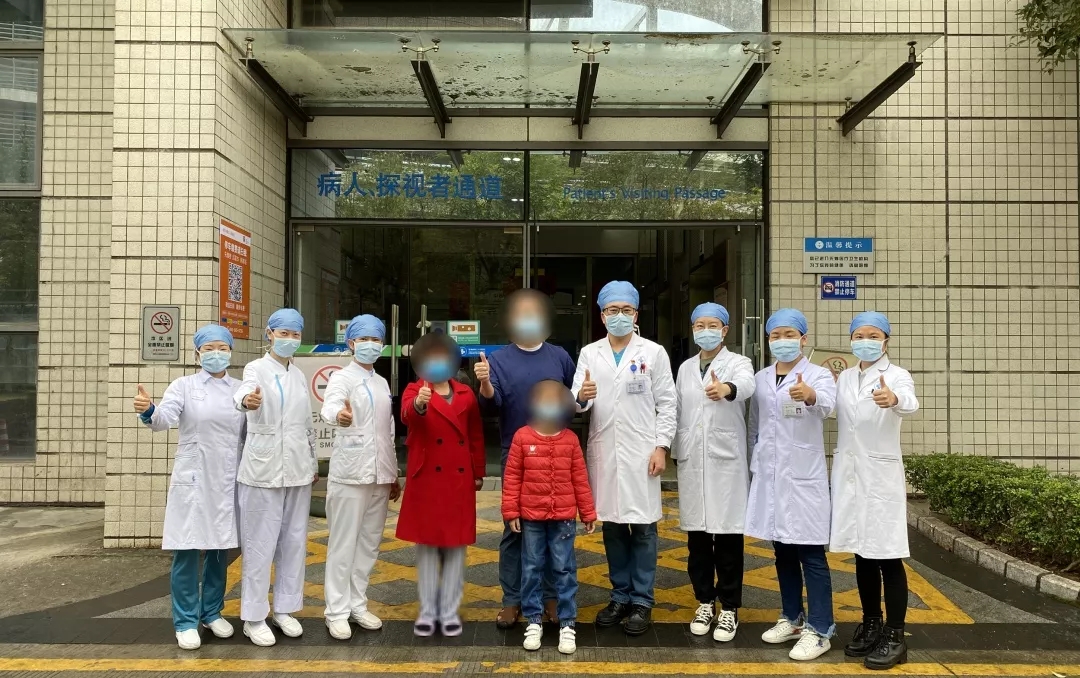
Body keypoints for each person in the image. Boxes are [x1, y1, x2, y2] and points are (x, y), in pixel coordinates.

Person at [571, 280, 677, 636]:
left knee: (644, 529)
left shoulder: (654, 352)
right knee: (614, 527)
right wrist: (582, 396)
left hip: (643, 452)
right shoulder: (590, 353)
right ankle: (619, 595)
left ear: (636, 314)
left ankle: (642, 600)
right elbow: (576, 401)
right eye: (612, 310)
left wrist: (662, 446)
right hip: (605, 450)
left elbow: (668, 403)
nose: (619, 315)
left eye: (626, 310)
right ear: (602, 316)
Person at [132, 324, 245, 650]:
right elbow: (164, 418)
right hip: (194, 480)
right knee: (188, 549)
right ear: (197, 353)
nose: (216, 354)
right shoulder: (183, 386)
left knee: (220, 549)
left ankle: (211, 612)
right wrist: (149, 410)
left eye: (222, 348)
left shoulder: (240, 390)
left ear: (230, 352)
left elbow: (249, 432)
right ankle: (184, 620)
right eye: (208, 349)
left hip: (227, 479)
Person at [475, 289, 576, 628]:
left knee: (553, 527)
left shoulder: (560, 357)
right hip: (516, 453)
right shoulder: (498, 359)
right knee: (515, 528)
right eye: (521, 313)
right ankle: (512, 599)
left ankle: (550, 598)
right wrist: (485, 384)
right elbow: (491, 406)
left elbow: (572, 400)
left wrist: (584, 397)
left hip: (556, 452)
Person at [745, 308, 838, 661]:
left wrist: (810, 395)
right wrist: (755, 464)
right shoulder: (761, 377)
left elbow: (827, 406)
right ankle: (792, 617)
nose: (782, 340)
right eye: (775, 335)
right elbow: (755, 425)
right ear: (768, 340)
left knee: (810, 552)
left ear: (803, 338)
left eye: (789, 334)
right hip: (771, 475)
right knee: (781, 549)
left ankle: (821, 628)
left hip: (803, 476)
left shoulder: (819, 375)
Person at [830, 312, 919, 670]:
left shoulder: (897, 375)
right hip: (850, 474)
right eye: (859, 335)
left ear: (886, 340)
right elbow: (830, 409)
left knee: (888, 555)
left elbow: (910, 402)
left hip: (880, 478)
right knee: (862, 554)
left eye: (873, 335)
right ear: (851, 339)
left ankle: (896, 636)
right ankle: (871, 624)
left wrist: (893, 399)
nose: (865, 340)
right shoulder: (845, 377)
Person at [233, 308, 319, 647]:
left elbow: (306, 425)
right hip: (262, 470)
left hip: (297, 470)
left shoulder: (297, 375)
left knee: (294, 542)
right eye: (283, 333)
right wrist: (247, 401)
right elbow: (243, 393)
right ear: (269, 334)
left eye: (295, 334)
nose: (289, 339)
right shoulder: (256, 368)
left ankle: (285, 609)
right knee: (259, 544)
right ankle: (254, 617)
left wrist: (311, 463)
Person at [672, 303, 756, 642]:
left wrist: (727, 389)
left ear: (724, 330)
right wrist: (671, 449)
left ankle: (730, 607)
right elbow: (678, 410)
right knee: (698, 540)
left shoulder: (739, 363)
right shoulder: (685, 368)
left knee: (728, 538)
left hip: (725, 462)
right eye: (699, 325)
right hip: (693, 459)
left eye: (712, 325)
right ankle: (705, 601)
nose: (705, 331)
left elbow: (747, 386)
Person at [397, 333, 485, 637]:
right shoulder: (414, 389)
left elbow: (475, 434)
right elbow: (407, 416)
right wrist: (419, 405)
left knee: (455, 548)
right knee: (427, 548)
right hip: (427, 478)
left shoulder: (466, 393)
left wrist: (478, 471)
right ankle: (427, 610)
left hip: (458, 478)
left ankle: (448, 610)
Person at [320, 314, 402, 641]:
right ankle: (336, 611)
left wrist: (393, 473)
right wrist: (338, 416)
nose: (370, 345)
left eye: (376, 340)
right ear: (351, 343)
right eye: (364, 339)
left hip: (380, 475)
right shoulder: (342, 378)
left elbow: (388, 431)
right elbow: (330, 406)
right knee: (343, 544)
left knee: (369, 544)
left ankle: (357, 604)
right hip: (350, 475)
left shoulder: (381, 382)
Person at [501, 380, 597, 655]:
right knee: (531, 567)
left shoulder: (570, 439)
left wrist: (587, 512)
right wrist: (511, 511)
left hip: (563, 518)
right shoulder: (522, 437)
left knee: (564, 568)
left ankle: (568, 623)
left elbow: (580, 478)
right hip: (531, 517)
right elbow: (512, 478)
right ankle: (533, 620)